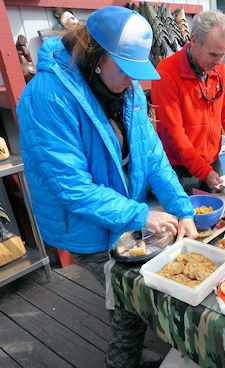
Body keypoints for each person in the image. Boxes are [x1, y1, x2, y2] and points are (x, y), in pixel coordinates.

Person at [16, 6, 197, 368]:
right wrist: (141, 213)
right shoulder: (46, 96)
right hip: (84, 223)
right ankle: (122, 361)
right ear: (98, 57)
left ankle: (132, 352)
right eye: (126, 70)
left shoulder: (125, 89)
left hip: (122, 216)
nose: (133, 81)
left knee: (129, 296)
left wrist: (182, 208)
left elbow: (154, 156)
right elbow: (72, 187)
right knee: (129, 299)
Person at [152, 10, 225, 195]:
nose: (218, 62)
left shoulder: (220, 72)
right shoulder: (166, 73)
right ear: (193, 40)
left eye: (223, 55)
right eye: (213, 55)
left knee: (218, 219)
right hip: (178, 168)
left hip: (211, 162)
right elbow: (174, 133)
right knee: (183, 220)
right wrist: (202, 170)